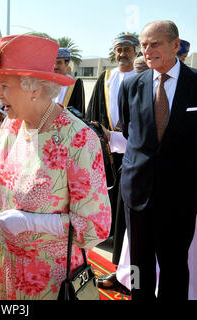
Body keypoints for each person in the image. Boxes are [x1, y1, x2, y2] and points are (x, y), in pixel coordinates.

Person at [0, 35, 111, 299]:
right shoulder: (13, 124)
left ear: (35, 88)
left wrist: (33, 223)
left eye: (4, 86)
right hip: (6, 266)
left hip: (51, 280)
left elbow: (96, 227)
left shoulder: (78, 139)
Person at [118, 20, 197, 300]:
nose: (147, 50)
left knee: (174, 264)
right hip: (137, 191)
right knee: (138, 265)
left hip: (180, 193)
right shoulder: (132, 84)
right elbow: (131, 129)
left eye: (155, 43)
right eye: (144, 45)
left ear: (175, 45)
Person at [85, 34, 139, 275]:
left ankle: (122, 243)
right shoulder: (105, 78)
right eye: (118, 49)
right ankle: (105, 232)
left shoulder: (142, 77)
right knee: (105, 190)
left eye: (127, 49)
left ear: (135, 51)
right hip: (107, 147)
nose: (122, 54)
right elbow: (93, 110)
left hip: (132, 147)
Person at [54, 48, 85, 115]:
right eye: (53, 62)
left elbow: (79, 111)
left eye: (59, 63)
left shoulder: (75, 84)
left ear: (66, 64)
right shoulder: (46, 82)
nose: (55, 66)